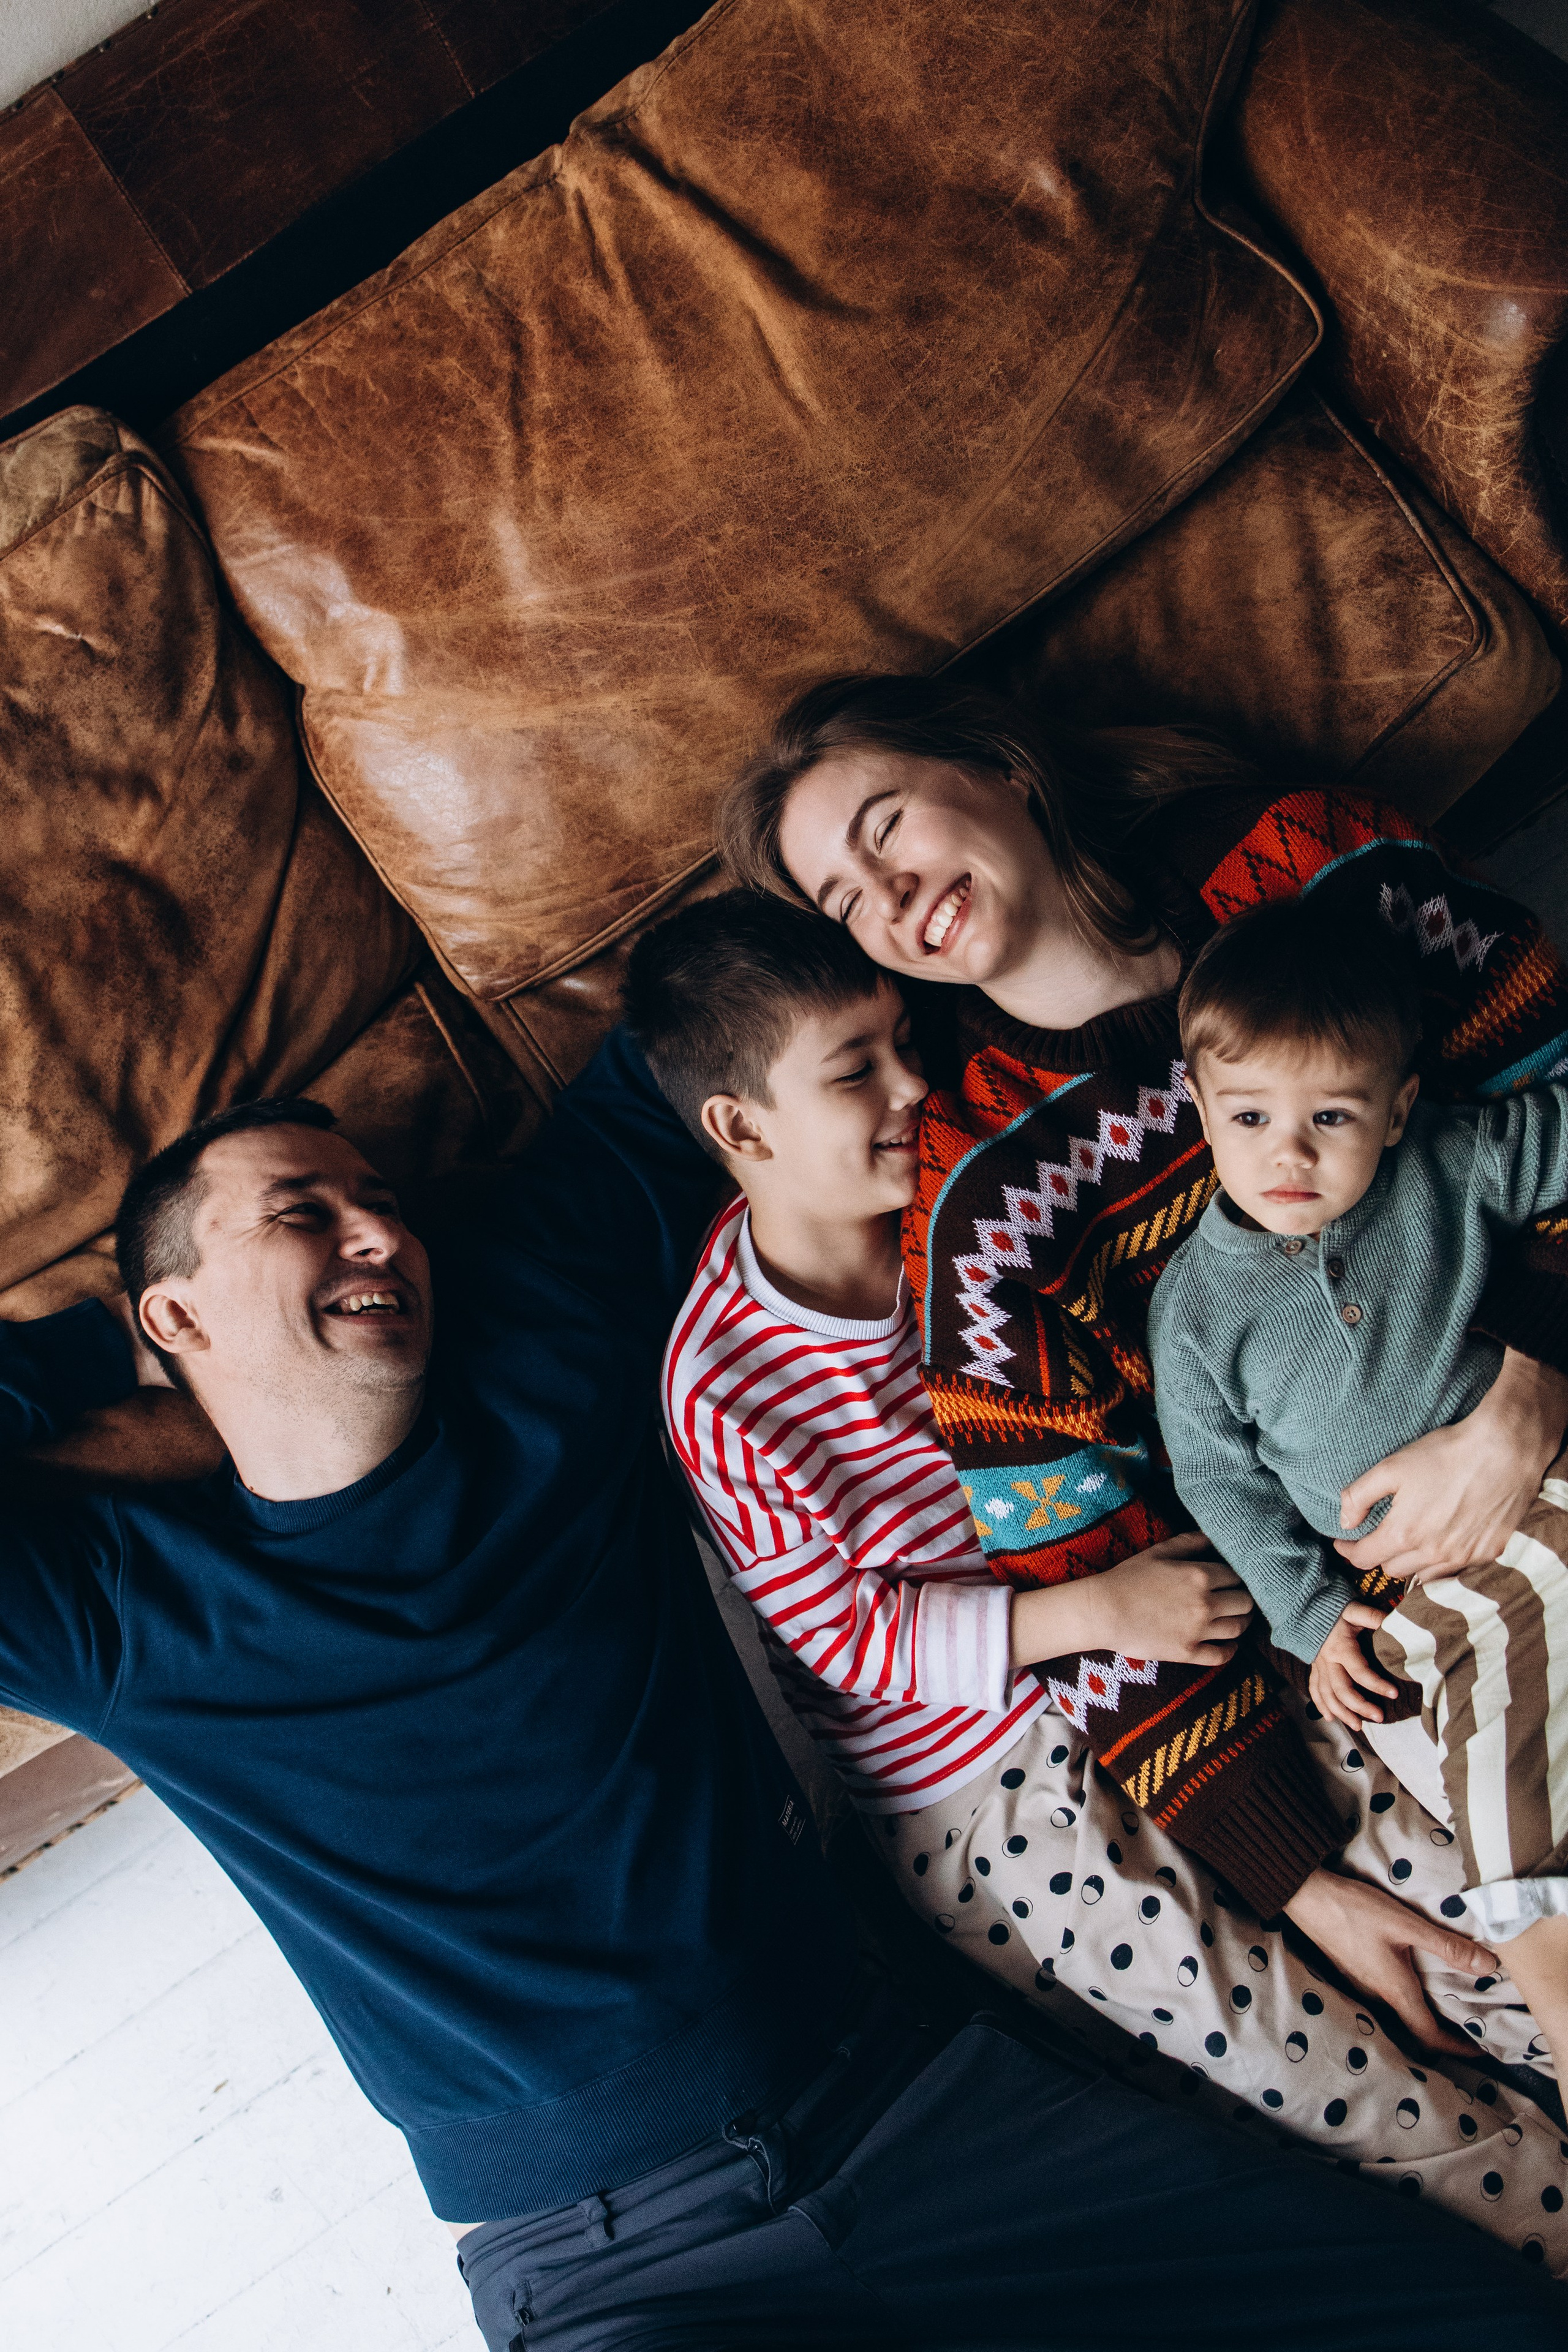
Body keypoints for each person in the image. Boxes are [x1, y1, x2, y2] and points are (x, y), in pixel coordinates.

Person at [6, 1050, 1556, 2345]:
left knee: (1466, 2315)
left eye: (383, 1205)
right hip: (619, 2262)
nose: (373, 1236)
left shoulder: (543, 1350)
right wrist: (104, 1359)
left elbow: (687, 1046)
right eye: (301, 1215)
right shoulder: (126, 1612)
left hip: (925, 2102)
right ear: (178, 1313)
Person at [715, 669, 1568, 2237]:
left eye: (887, 825)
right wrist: (1295, 1875)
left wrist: (1525, 1401)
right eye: (846, 895)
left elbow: (1551, 1086)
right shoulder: (978, 1208)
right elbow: (1082, 1557)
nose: (891, 896)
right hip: (1380, 1593)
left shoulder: (1304, 866)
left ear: (1002, 769)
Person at [1149, 894, 1568, 2070]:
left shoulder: (1449, 1165)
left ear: (1396, 1112)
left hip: (1550, 1466)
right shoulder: (1193, 1313)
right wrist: (1316, 1617)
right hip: (1429, 1588)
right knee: (1504, 1800)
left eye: (1331, 1115)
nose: (1289, 1154)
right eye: (1251, 1116)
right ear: (1202, 1111)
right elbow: (1222, 1488)